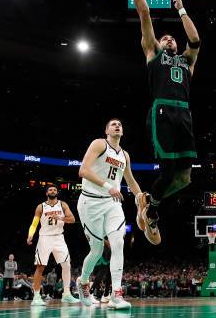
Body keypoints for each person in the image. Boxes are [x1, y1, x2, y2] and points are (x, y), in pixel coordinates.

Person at [129, 0, 201, 245]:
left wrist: (181, 8)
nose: (169, 38)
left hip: (184, 115)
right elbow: (144, 13)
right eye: (165, 37)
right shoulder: (153, 54)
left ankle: (148, 203)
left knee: (184, 179)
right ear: (157, 43)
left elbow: (195, 40)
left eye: (172, 37)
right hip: (163, 111)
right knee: (168, 171)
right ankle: (153, 214)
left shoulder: (187, 62)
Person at [77, 118, 144, 308]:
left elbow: (130, 181)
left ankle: (116, 295)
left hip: (112, 204)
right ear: (106, 130)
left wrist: (141, 198)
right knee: (97, 250)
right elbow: (83, 170)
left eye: (120, 125)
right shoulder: (99, 144)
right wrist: (108, 187)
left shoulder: (125, 155)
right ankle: (83, 283)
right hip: (90, 202)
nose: (117, 126)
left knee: (118, 242)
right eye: (113, 124)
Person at [27, 185, 78, 306]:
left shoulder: (63, 204)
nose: (53, 191)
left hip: (59, 237)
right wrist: (30, 235)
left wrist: (60, 217)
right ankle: (36, 296)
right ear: (47, 193)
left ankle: (66, 294)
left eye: (55, 190)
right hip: (44, 238)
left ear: (57, 193)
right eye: (50, 190)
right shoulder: (41, 207)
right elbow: (34, 224)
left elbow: (72, 219)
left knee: (66, 264)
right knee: (40, 267)